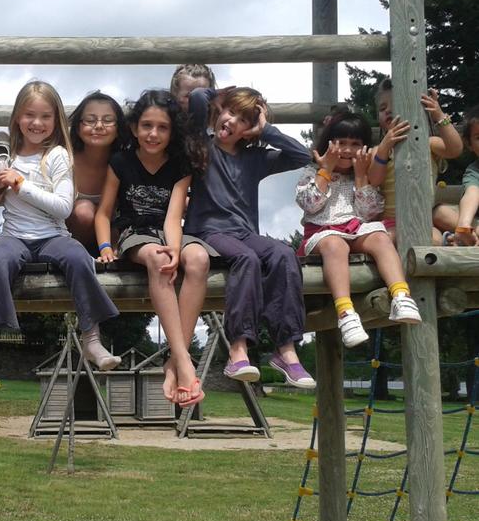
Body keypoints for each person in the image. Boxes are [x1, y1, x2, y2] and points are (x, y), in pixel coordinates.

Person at [0, 81, 120, 370]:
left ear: (56, 120)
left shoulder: (58, 155)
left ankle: (92, 339)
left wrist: (20, 184)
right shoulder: (7, 155)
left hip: (53, 235)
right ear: (17, 118)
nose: (37, 123)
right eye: (29, 115)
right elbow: (1, 202)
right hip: (14, 235)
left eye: (45, 116)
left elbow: (63, 207)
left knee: (78, 257)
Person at [185, 86, 315, 389]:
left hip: (243, 232)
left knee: (284, 254)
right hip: (208, 231)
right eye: (229, 112)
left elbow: (302, 156)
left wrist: (265, 130)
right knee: (247, 259)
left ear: (250, 129)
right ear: (219, 111)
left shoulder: (255, 158)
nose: (231, 121)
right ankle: (238, 349)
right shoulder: (201, 147)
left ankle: (286, 350)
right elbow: (197, 97)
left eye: (242, 119)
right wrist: (222, 96)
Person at [95, 89, 213, 406]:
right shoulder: (121, 162)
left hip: (168, 231)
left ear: (172, 132)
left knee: (198, 258)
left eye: (162, 127)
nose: (153, 134)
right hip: (136, 233)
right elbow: (103, 213)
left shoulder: (179, 165)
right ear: (135, 128)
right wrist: (105, 246)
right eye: (147, 125)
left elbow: (173, 217)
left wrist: (175, 248)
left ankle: (174, 360)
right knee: (159, 260)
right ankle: (184, 363)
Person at [297, 108, 422, 346]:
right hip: (322, 235)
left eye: (355, 144)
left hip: (354, 230)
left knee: (380, 236)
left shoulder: (360, 174)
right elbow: (310, 204)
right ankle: (346, 314)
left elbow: (369, 213)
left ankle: (401, 295)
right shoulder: (312, 172)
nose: (347, 149)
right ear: (329, 143)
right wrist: (326, 170)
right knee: (336, 245)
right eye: (341, 142)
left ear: (364, 147)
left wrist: (361, 177)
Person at [370, 79, 463, 243]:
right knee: (389, 238)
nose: (389, 110)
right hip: (391, 221)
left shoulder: (427, 143)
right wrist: (385, 147)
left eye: (396, 105)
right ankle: (451, 240)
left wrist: (439, 116)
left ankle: (457, 239)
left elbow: (455, 149)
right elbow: (374, 180)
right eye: (383, 108)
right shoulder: (378, 151)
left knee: (433, 239)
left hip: (423, 218)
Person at [65, 91, 130, 249]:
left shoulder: (126, 162)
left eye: (108, 120)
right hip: (69, 236)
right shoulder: (64, 159)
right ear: (78, 127)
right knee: (84, 212)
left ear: (118, 128)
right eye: (90, 120)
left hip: (112, 237)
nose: (99, 126)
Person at [451, 106, 479, 246]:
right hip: (475, 223)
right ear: (469, 144)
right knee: (439, 212)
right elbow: (472, 193)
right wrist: (464, 223)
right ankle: (465, 231)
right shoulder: (474, 171)